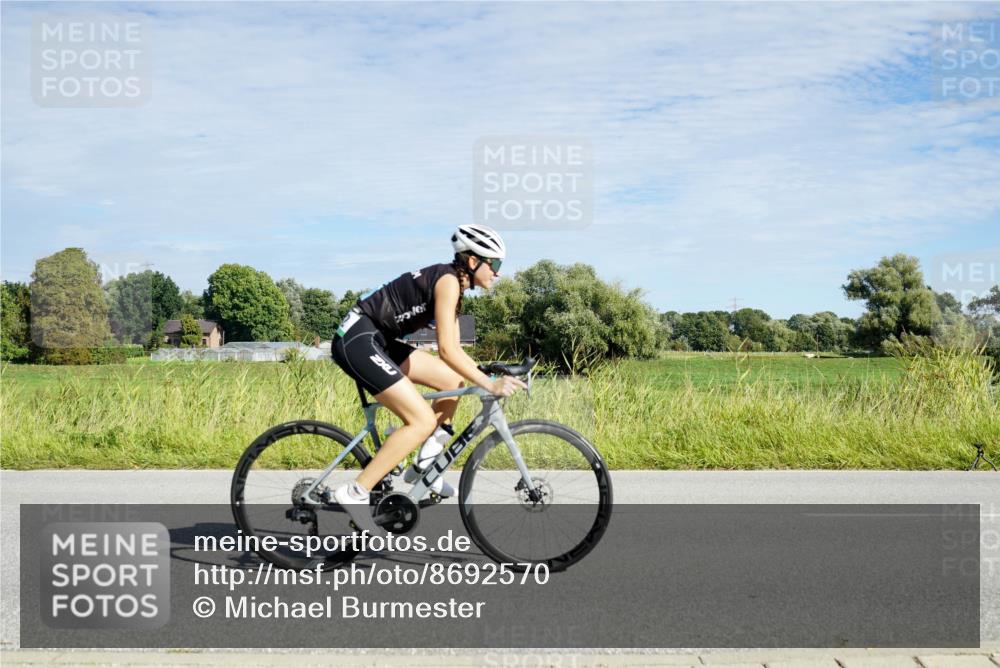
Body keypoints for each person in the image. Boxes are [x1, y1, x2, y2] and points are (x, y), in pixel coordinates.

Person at [331, 224, 526, 536]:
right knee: (420, 421)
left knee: (452, 380)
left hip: (378, 339)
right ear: (473, 261)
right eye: (496, 264)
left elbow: (456, 356)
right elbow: (448, 350)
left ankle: (426, 463)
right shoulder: (448, 282)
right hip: (357, 339)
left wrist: (486, 371)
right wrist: (489, 385)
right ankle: (355, 492)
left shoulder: (454, 286)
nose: (499, 273)